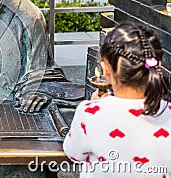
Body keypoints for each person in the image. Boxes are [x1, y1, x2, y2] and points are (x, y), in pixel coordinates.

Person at [63, 21, 171, 177]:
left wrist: (95, 105)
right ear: (157, 66)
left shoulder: (89, 113)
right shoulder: (168, 114)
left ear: (106, 69)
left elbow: (73, 153)